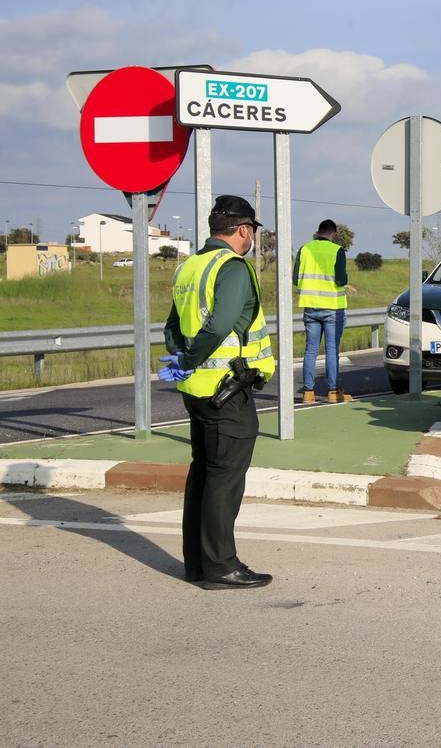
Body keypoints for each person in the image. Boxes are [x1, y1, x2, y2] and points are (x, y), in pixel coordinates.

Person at [159, 196, 275, 590]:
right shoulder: (233, 267)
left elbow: (172, 326)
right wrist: (193, 356)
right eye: (253, 230)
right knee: (225, 480)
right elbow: (221, 323)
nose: (253, 237)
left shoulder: (190, 266)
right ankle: (221, 566)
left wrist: (184, 359)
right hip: (227, 390)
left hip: (195, 389)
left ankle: (198, 564)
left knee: (204, 474)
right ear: (244, 229)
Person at [294, 219, 350, 404]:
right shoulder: (337, 250)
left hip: (310, 306)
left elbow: (296, 279)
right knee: (331, 349)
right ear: (333, 234)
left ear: (318, 232)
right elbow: (341, 280)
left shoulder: (304, 249)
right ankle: (333, 392)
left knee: (311, 350)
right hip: (332, 308)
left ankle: (308, 393)